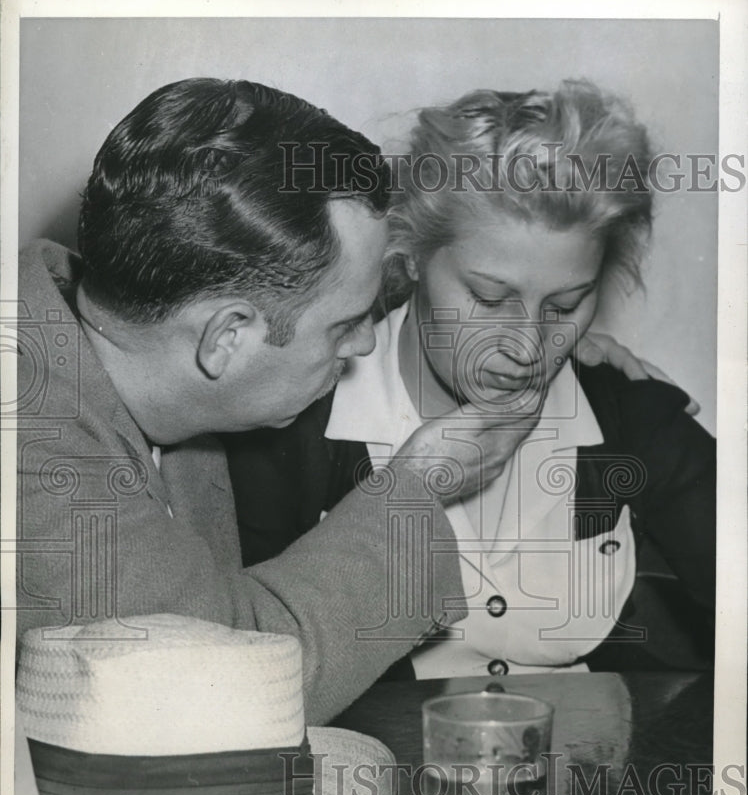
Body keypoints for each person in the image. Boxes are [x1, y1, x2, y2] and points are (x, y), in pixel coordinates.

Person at [16, 77, 555, 724]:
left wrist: (548, 331)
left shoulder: (122, 323)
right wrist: (417, 487)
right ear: (227, 338)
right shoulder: (28, 450)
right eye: (344, 324)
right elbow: (228, 691)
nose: (364, 341)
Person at [226, 80, 715, 678]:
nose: (529, 346)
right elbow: (245, 674)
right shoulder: (289, 428)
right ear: (408, 258)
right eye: (489, 297)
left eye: (565, 305)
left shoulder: (629, 414)